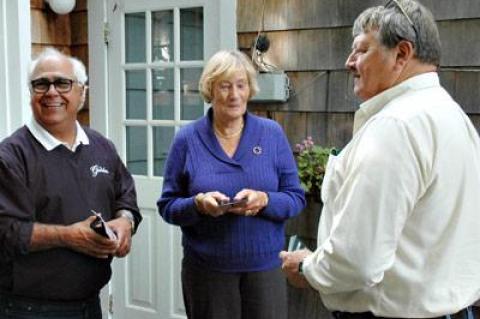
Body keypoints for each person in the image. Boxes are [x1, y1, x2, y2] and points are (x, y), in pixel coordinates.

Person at [280, 1, 480, 318]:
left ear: (401, 54)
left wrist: (306, 267)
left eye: (361, 50)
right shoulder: (452, 116)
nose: (349, 62)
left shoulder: (396, 126)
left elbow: (358, 260)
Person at [157, 49, 306, 319]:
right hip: (207, 272)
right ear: (210, 90)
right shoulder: (187, 139)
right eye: (225, 86)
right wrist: (198, 205)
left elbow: (295, 197)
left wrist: (265, 200)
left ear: (250, 89)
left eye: (241, 85)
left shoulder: (271, 134)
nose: (234, 95)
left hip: (264, 270)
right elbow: (167, 206)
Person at [0, 47, 141, 318]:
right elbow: (6, 231)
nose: (52, 92)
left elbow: (126, 197)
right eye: (41, 84)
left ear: (82, 92)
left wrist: (125, 221)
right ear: (31, 94)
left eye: (63, 83)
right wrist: (69, 236)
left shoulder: (101, 146)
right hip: (28, 310)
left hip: (90, 305)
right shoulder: (11, 156)